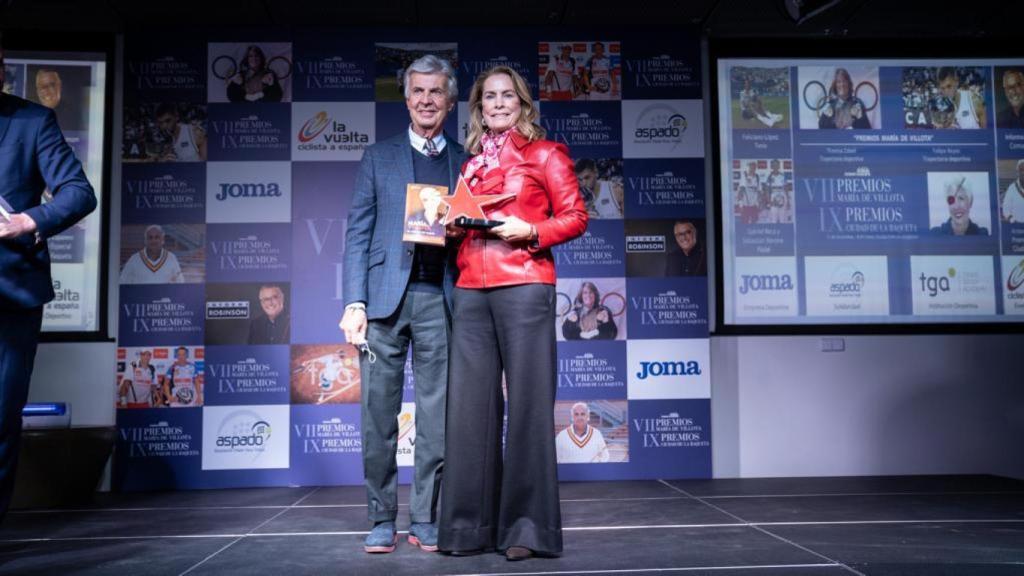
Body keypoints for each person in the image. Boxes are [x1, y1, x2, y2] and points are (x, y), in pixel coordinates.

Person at [438, 65, 587, 561]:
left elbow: (576, 216)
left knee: (526, 410)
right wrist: (449, 226)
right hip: (470, 291)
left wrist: (532, 231)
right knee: (469, 415)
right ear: (479, 107)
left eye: (508, 96)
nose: (498, 104)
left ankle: (526, 529)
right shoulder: (469, 163)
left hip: (524, 285)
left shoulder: (545, 154)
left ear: (523, 103)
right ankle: (467, 527)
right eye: (489, 98)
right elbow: (463, 225)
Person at [339, 54, 467, 555]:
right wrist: (355, 301)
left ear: (450, 101)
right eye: (418, 91)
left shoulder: (464, 160)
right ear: (406, 98)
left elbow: (475, 234)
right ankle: (379, 518)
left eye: (436, 92)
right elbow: (357, 234)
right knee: (377, 418)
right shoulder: (378, 156)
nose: (427, 100)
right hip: (384, 305)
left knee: (437, 420)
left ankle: (425, 518)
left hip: (442, 300)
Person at [0, 39, 97, 523]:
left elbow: (79, 193)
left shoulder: (32, 121)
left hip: (10, 295)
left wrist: (26, 222)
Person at [119, 224, 185, 284]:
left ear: (162, 240)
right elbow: (122, 282)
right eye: (150, 237)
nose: (153, 241)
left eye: (157, 237)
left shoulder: (171, 258)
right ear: (145, 241)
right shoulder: (134, 259)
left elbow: (180, 282)